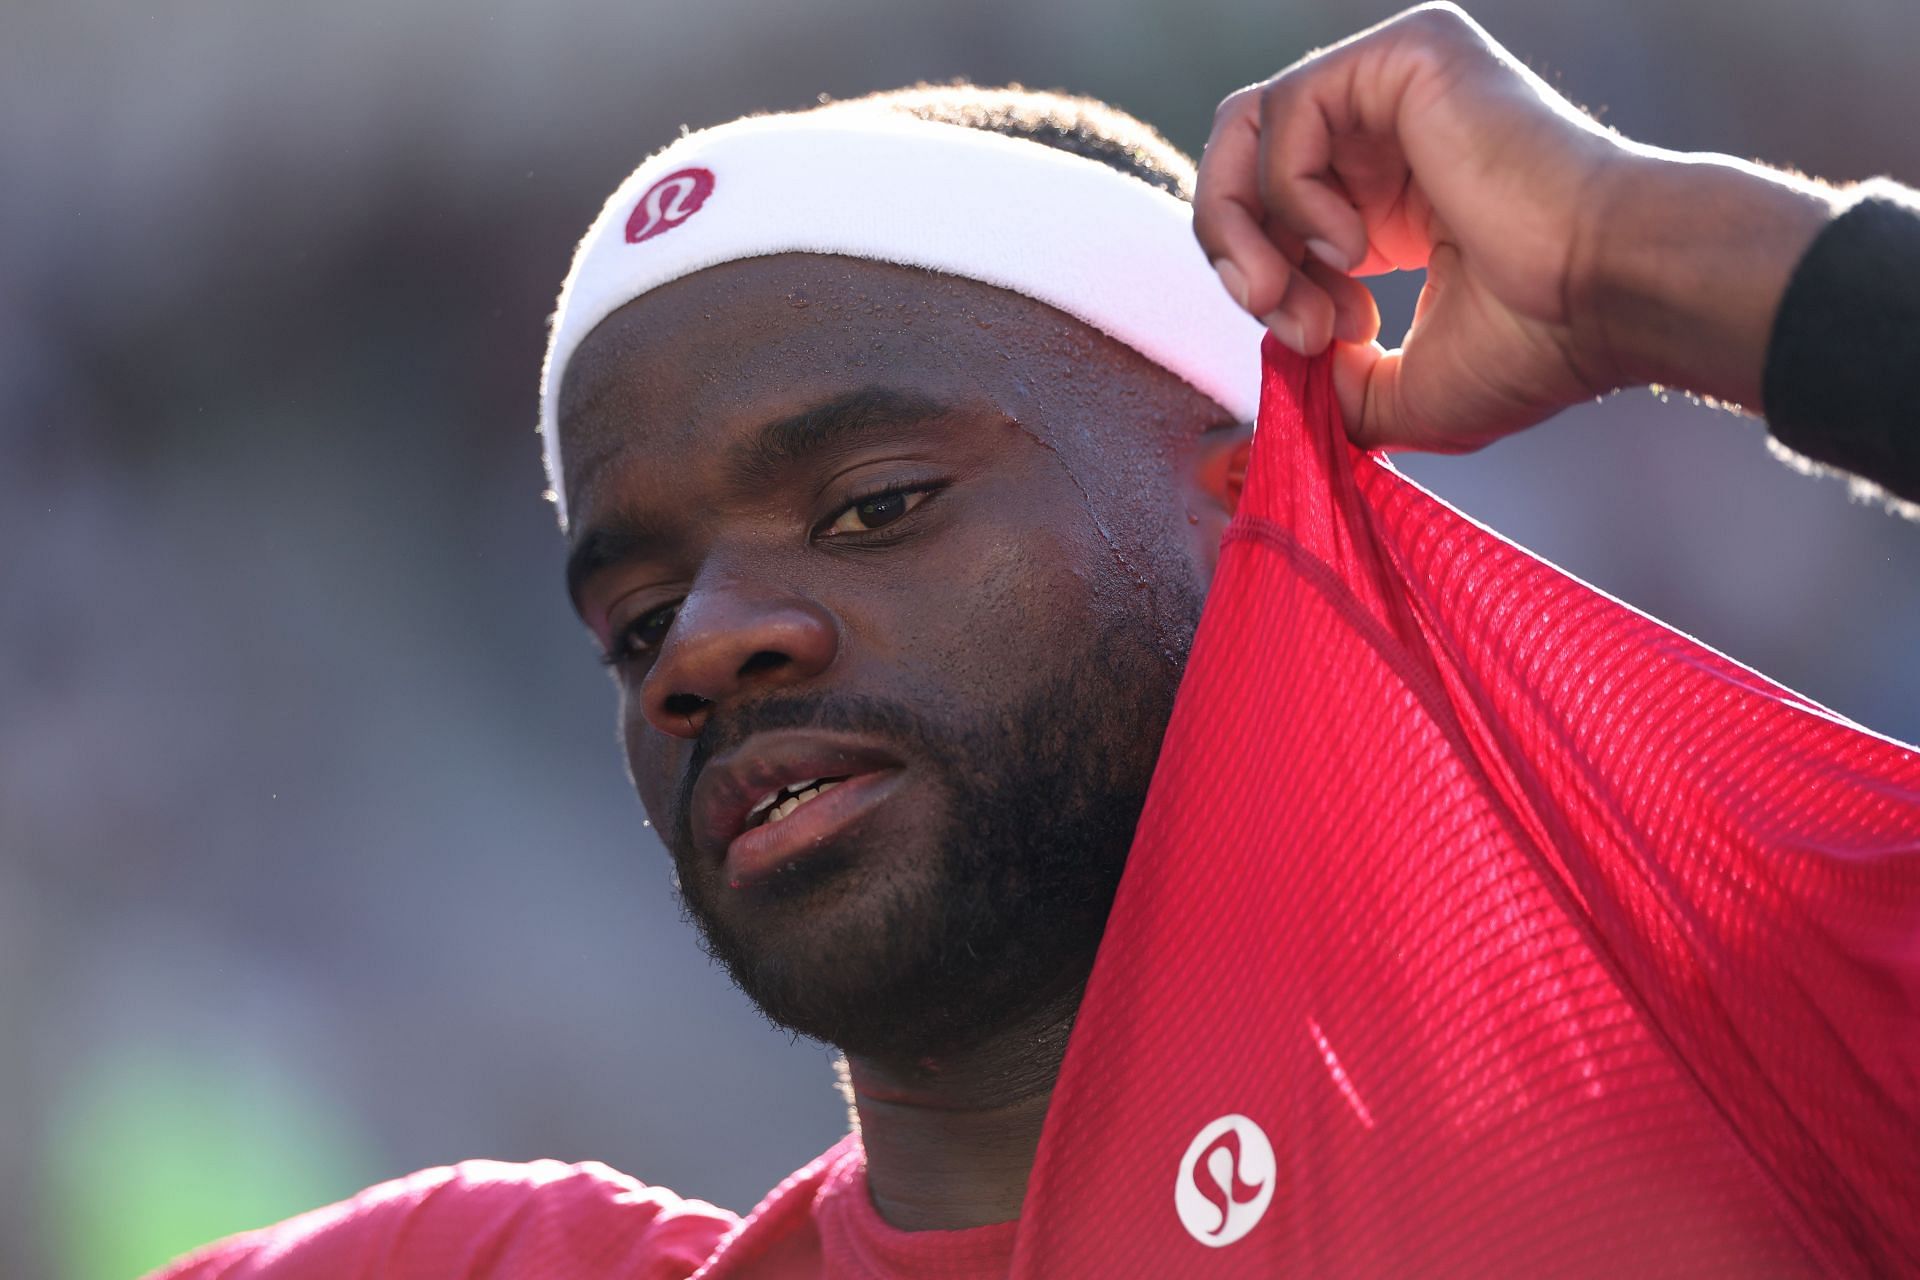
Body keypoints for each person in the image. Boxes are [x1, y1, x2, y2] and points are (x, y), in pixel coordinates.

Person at [150, 5, 1919, 1277]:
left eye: (875, 507)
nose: (705, 647)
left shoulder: (1770, 1063)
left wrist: (1647, 253)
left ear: (1252, 506)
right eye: (634, 617)